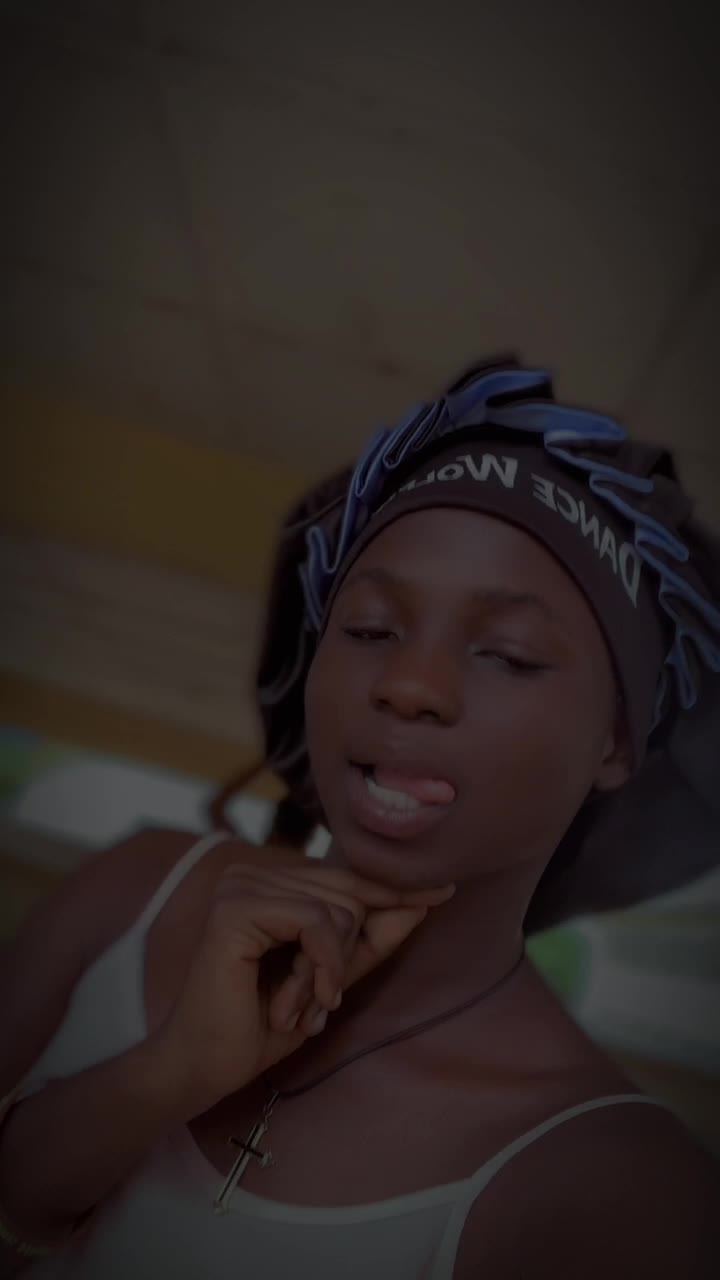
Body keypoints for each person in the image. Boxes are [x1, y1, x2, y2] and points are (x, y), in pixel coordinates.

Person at [1, 360, 719, 1279]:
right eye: (372, 629)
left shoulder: (629, 1190)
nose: (408, 684)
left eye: (507, 654)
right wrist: (168, 1072)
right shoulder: (137, 888)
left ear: (614, 742)